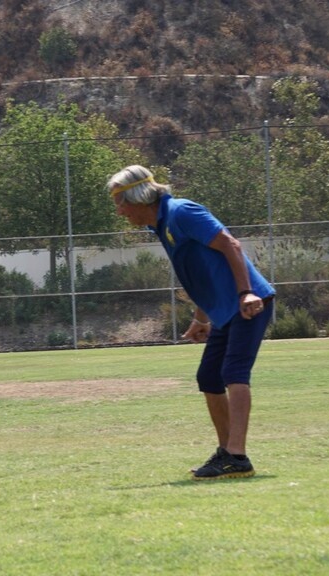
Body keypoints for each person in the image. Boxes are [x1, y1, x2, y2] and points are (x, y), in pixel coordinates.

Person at [107, 165, 274, 480]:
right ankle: (227, 453)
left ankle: (237, 456)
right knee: (208, 377)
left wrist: (247, 293)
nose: (119, 211)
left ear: (138, 197)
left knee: (233, 372)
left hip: (247, 303)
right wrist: (200, 317)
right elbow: (204, 272)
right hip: (224, 309)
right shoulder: (161, 224)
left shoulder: (182, 212)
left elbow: (231, 245)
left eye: (120, 202)